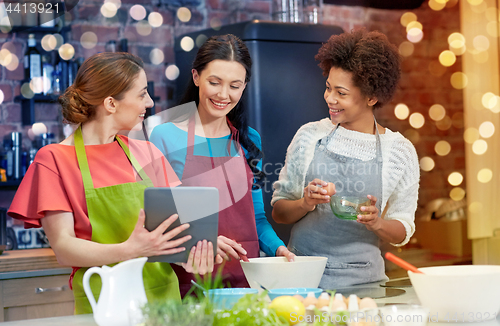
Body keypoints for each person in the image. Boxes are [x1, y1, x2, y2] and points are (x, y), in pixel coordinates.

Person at [7, 52, 218, 314]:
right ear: (110, 103)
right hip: (104, 306)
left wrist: (200, 247)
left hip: (165, 304)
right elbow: (64, 248)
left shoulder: (147, 152)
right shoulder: (53, 160)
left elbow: (180, 226)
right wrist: (129, 250)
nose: (150, 102)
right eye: (142, 94)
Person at [271, 29, 420, 288]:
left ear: (372, 97)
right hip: (303, 279)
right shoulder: (309, 136)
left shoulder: (399, 151)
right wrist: (305, 202)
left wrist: (377, 222)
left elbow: (402, 230)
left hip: (365, 284)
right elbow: (279, 212)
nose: (330, 98)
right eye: (328, 88)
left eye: (341, 93)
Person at [150, 34, 295, 295]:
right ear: (196, 77)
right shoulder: (165, 137)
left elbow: (257, 218)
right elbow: (160, 225)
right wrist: (201, 239)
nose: (223, 95)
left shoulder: (249, 139)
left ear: (244, 86)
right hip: (190, 283)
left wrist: (278, 248)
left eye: (234, 86)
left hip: (246, 282)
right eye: (214, 82)